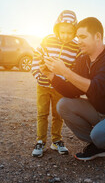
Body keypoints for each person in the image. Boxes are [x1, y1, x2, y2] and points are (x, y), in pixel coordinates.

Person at [42, 17, 105, 168]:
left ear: (97, 37)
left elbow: (101, 89)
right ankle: (99, 145)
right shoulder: (83, 60)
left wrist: (65, 71)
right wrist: (50, 75)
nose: (78, 41)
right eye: (77, 37)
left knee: (100, 134)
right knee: (64, 104)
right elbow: (72, 91)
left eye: (83, 37)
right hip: (101, 112)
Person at [31, 10, 80, 157]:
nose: (65, 36)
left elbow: (74, 67)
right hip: (43, 85)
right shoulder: (48, 40)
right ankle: (40, 141)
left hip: (60, 87)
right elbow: (37, 55)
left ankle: (56, 140)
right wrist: (37, 74)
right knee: (42, 113)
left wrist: (66, 80)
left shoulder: (75, 48)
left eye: (69, 33)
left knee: (58, 115)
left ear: (74, 32)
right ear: (57, 28)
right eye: (63, 32)